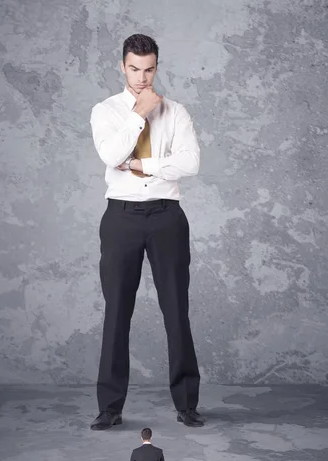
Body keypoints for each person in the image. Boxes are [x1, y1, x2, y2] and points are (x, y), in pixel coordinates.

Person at [89, 33, 205, 431]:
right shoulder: (105, 111)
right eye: (134, 69)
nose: (142, 77)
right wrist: (140, 112)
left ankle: (187, 404)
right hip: (120, 217)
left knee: (176, 310)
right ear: (122, 66)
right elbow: (110, 155)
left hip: (166, 216)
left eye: (149, 69)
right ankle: (110, 407)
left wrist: (142, 166)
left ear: (158, 67)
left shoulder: (176, 112)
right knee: (116, 312)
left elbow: (190, 163)